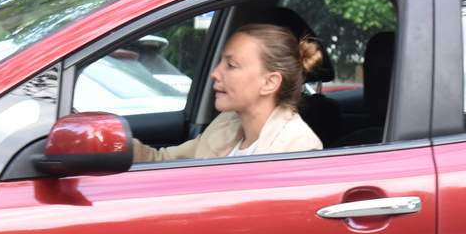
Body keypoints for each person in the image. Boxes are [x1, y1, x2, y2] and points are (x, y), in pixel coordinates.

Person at [133, 23, 325, 161]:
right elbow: (164, 161)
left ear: (269, 82)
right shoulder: (226, 123)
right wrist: (118, 145)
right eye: (221, 62)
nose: (215, 73)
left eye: (231, 65)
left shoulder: (298, 148)